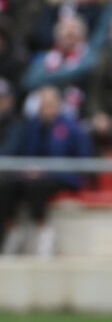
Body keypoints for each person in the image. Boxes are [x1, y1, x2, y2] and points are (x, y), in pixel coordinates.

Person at [0, 85, 92, 256]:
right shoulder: (33, 126)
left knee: (36, 185)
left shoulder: (72, 127)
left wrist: (46, 170)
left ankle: (45, 232)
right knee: (7, 184)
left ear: (58, 104)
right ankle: (13, 230)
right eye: (43, 105)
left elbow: (83, 159)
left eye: (50, 104)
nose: (46, 109)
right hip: (34, 174)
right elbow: (26, 153)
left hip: (65, 176)